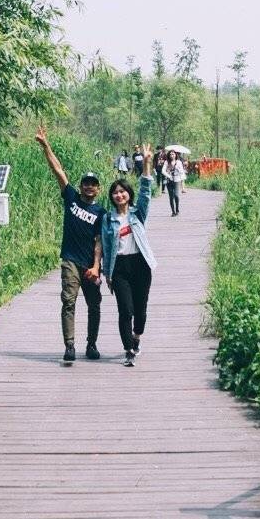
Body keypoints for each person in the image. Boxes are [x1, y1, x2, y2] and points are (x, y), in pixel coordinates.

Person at [36, 128, 104, 363]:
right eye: (85, 183)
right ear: (81, 185)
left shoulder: (100, 213)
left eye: (92, 184)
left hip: (90, 265)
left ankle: (92, 345)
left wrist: (96, 267)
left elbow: (99, 242)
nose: (88, 187)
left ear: (98, 189)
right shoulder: (72, 198)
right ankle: (70, 345)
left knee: (94, 305)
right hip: (71, 260)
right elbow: (58, 171)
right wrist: (46, 146)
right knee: (68, 301)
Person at [101, 142, 159, 366]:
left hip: (141, 264)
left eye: (122, 191)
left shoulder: (138, 213)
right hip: (120, 267)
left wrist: (146, 162)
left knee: (140, 311)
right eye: (115, 193)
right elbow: (106, 247)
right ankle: (128, 349)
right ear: (112, 197)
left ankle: (136, 337)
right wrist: (107, 273)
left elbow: (145, 190)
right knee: (125, 310)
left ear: (128, 194)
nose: (119, 195)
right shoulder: (108, 219)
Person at [162, 148, 187, 216]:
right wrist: (169, 175)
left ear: (175, 155)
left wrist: (183, 187)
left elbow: (182, 172)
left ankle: (177, 209)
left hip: (177, 179)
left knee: (176, 195)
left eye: (173, 154)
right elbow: (163, 171)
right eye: (170, 154)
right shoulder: (166, 162)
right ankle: (173, 211)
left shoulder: (178, 162)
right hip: (169, 181)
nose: (171, 155)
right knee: (171, 196)